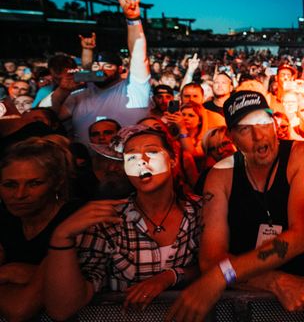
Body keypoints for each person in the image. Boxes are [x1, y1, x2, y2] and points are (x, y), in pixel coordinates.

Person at [167, 90, 304, 319]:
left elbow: (300, 237)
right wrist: (273, 280)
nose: (259, 136)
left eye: (263, 122)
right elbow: (210, 259)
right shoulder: (220, 176)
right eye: (245, 128)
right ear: (231, 137)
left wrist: (221, 276)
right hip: (245, 307)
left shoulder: (302, 154)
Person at [44, 126, 202, 320]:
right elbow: (62, 309)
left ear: (173, 159)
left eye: (152, 152)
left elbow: (217, 267)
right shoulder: (108, 221)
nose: (142, 161)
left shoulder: (199, 210)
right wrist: (61, 236)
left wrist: (171, 276)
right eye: (131, 157)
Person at [51, 0, 151, 144]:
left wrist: (133, 20)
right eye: (97, 66)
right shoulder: (80, 96)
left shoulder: (134, 89)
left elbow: (138, 54)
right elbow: (52, 117)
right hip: (88, 166)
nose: (101, 70)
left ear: (120, 69)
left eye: (108, 66)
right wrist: (61, 91)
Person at [0, 138, 81, 321]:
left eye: (34, 183)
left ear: (57, 182)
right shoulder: (5, 221)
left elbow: (19, 308)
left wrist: (9, 272)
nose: (20, 195)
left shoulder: (74, 220)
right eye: (10, 185)